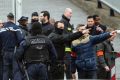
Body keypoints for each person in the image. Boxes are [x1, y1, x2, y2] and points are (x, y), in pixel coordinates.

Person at [0, 13, 23, 80]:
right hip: (14, 52)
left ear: (7, 18)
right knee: (15, 71)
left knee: (5, 71)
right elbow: (21, 40)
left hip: (5, 52)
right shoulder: (16, 28)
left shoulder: (2, 29)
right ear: (13, 19)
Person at [60, 8, 74, 79]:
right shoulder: (63, 22)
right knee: (67, 71)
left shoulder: (67, 23)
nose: (71, 15)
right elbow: (66, 37)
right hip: (65, 52)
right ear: (65, 13)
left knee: (68, 71)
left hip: (68, 51)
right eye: (70, 13)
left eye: (71, 13)